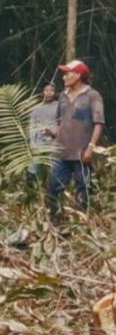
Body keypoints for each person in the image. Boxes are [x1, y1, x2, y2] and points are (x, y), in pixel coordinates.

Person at [48, 60, 105, 218]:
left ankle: (81, 223)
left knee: (84, 189)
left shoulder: (92, 96)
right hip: (62, 152)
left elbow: (99, 123)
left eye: (68, 73)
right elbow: (61, 121)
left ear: (79, 75)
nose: (64, 77)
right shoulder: (62, 96)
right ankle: (55, 221)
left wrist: (91, 147)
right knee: (53, 187)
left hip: (81, 153)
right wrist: (53, 135)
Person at [28, 83, 59, 184]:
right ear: (43, 92)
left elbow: (64, 123)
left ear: (55, 93)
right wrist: (32, 143)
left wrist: (54, 132)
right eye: (47, 90)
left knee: (53, 167)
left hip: (54, 141)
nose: (49, 93)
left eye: (52, 91)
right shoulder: (37, 108)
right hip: (39, 141)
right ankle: (32, 188)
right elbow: (32, 126)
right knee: (33, 165)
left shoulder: (59, 107)